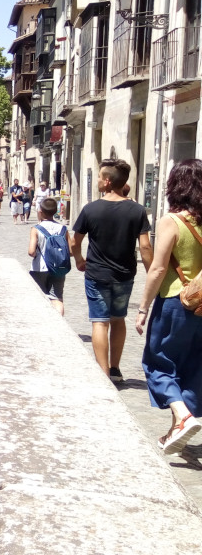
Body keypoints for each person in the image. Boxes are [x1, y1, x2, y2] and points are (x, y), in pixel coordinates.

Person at [134, 159, 202, 454]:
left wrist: (143, 308)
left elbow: (158, 269)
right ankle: (178, 426)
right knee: (192, 367)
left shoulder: (171, 221)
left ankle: (183, 416)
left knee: (158, 362)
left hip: (177, 302)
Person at [72, 158, 153, 382]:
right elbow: (145, 245)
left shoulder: (90, 210)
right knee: (118, 319)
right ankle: (115, 369)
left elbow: (74, 242)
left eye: (99, 177)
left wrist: (79, 259)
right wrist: (152, 272)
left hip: (97, 274)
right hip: (124, 275)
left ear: (107, 182)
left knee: (99, 321)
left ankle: (103, 373)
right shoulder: (137, 211)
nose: (98, 180)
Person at [28, 197, 73, 315]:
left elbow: (31, 251)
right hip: (59, 268)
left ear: (40, 211)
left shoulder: (36, 229)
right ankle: (60, 324)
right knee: (57, 298)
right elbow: (71, 251)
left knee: (39, 298)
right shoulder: (63, 228)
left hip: (39, 268)